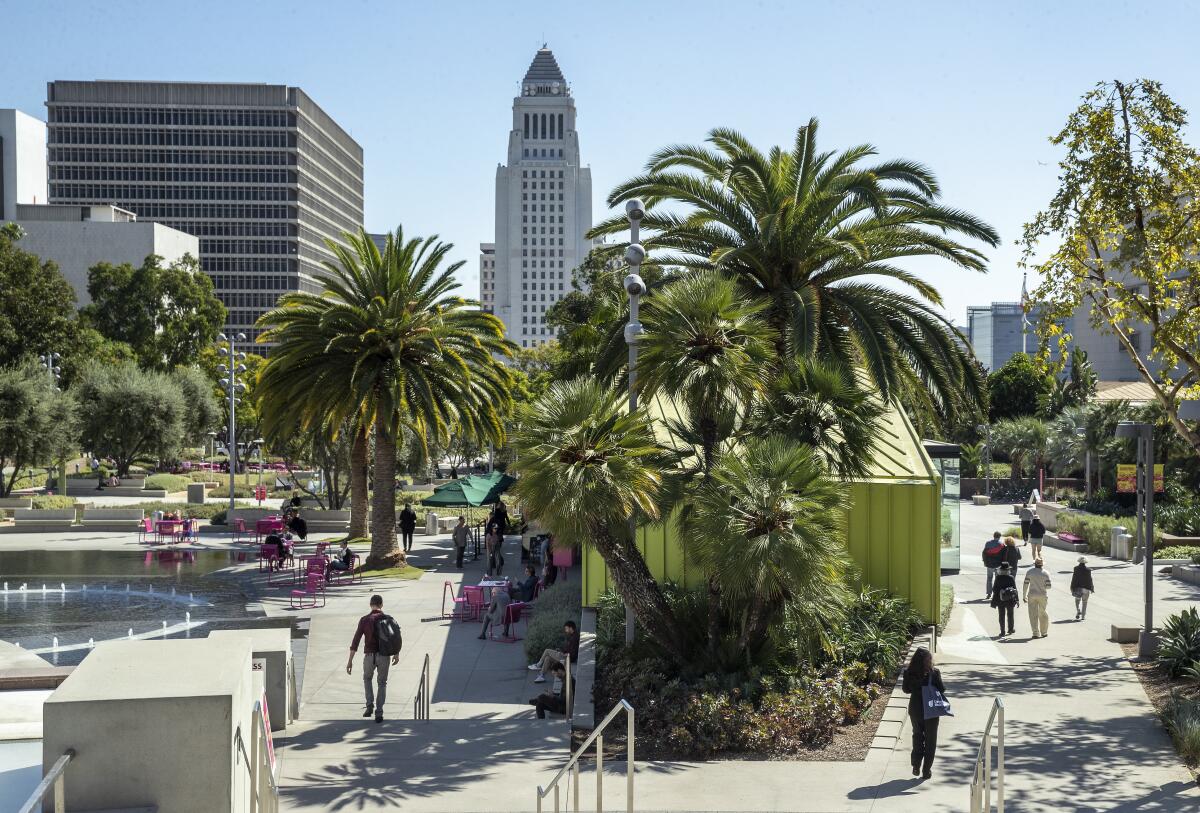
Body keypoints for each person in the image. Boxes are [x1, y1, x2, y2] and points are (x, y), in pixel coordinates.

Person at [347, 594, 399, 723]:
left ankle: (369, 705)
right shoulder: (388, 619)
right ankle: (379, 713)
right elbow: (395, 638)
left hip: (369, 656)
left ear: (371, 605)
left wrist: (350, 660)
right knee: (382, 683)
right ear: (381, 605)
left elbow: (356, 641)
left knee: (367, 679)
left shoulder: (364, 620)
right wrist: (396, 653)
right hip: (384, 656)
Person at [901, 647, 945, 779]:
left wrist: (917, 685)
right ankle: (926, 770)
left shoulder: (909, 673)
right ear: (928, 660)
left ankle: (916, 764)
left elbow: (906, 690)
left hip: (915, 709)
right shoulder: (934, 673)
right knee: (931, 740)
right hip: (931, 709)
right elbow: (942, 689)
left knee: (918, 736)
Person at [1023, 558, 1052, 638]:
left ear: (1034, 564)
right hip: (1042, 595)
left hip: (1032, 594)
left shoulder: (1030, 572)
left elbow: (1026, 584)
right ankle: (1044, 632)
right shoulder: (1046, 573)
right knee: (1042, 613)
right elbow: (1049, 586)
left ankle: (1035, 633)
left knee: (1032, 614)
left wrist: (1024, 595)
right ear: (1042, 564)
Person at [990, 563, 1019, 638]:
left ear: (1000, 570)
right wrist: (1017, 600)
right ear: (1008, 570)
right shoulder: (1011, 578)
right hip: (1010, 599)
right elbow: (1015, 589)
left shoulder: (998, 578)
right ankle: (1010, 629)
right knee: (1010, 614)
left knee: (1001, 615)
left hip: (1000, 600)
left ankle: (1002, 631)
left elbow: (994, 589)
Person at [982, 532, 1005, 597]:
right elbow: (1003, 555)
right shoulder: (1001, 545)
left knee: (989, 578)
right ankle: (996, 593)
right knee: (997, 579)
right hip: (998, 565)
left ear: (993, 536)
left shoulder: (988, 543)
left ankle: (989, 593)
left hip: (989, 564)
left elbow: (984, 553)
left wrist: (984, 562)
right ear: (999, 537)